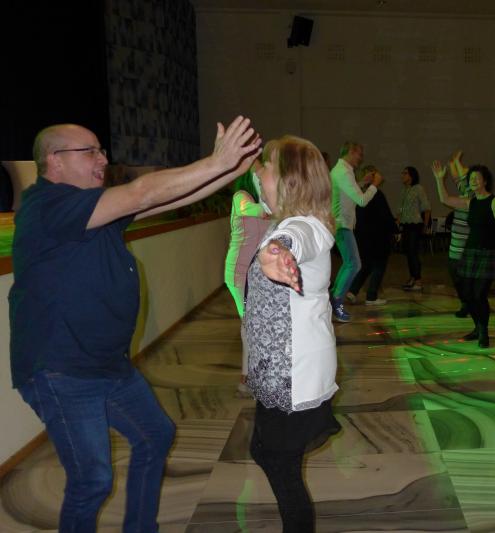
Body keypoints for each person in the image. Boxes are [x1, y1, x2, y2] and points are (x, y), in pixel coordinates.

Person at [8, 118, 300, 532]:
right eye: (90, 151)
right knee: (92, 481)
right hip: (62, 368)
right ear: (54, 160)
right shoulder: (48, 206)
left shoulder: (88, 209)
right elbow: (141, 192)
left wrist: (228, 170)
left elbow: (160, 201)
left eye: (101, 150)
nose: (103, 159)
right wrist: (216, 162)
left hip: (106, 364)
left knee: (154, 435)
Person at [244, 135, 341, 532]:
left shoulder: (305, 227)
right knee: (265, 451)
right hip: (279, 370)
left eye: (267, 167)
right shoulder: (286, 221)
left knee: (280, 466)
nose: (259, 175)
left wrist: (277, 250)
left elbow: (297, 239)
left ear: (289, 181)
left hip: (294, 375)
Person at [432, 159, 495, 348]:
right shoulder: (470, 202)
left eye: (477, 178)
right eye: (471, 178)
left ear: (485, 181)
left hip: (488, 254)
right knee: (468, 295)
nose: (473, 181)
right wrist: (439, 179)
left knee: (479, 294)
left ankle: (484, 332)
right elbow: (445, 199)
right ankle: (477, 327)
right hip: (470, 253)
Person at [223, 162, 270, 398]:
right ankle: (247, 377)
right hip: (239, 272)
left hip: (256, 272)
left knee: (254, 322)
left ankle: (253, 374)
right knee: (250, 323)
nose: (263, 177)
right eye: (258, 173)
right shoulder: (241, 197)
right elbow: (257, 211)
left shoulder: (265, 200)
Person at [330, 141, 382, 322]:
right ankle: (336, 301)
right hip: (341, 224)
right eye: (359, 154)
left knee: (349, 263)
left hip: (341, 223)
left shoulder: (342, 170)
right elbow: (361, 201)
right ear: (351, 152)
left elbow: (347, 193)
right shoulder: (343, 172)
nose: (361, 157)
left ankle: (334, 297)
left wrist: (363, 182)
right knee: (354, 264)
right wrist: (374, 185)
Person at [348, 165, 398, 306]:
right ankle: (371, 296)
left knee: (366, 265)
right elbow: (385, 215)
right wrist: (395, 230)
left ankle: (353, 290)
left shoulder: (358, 194)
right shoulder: (377, 194)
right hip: (378, 237)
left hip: (362, 236)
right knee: (379, 265)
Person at [446, 150, 472, 317]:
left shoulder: (472, 197)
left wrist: (456, 162)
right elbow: (457, 178)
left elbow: (460, 176)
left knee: (464, 281)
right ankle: (466, 304)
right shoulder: (464, 190)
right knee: (457, 279)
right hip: (455, 248)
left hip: (464, 249)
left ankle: (467, 305)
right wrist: (453, 163)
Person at [397, 166, 431, 291]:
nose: (402, 175)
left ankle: (418, 281)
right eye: (402, 173)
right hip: (406, 225)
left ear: (412, 175)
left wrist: (425, 225)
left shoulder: (418, 189)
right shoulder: (404, 190)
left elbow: (426, 208)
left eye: (405, 173)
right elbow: (400, 209)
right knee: (408, 253)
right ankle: (412, 277)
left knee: (413, 252)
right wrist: (398, 222)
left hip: (415, 225)